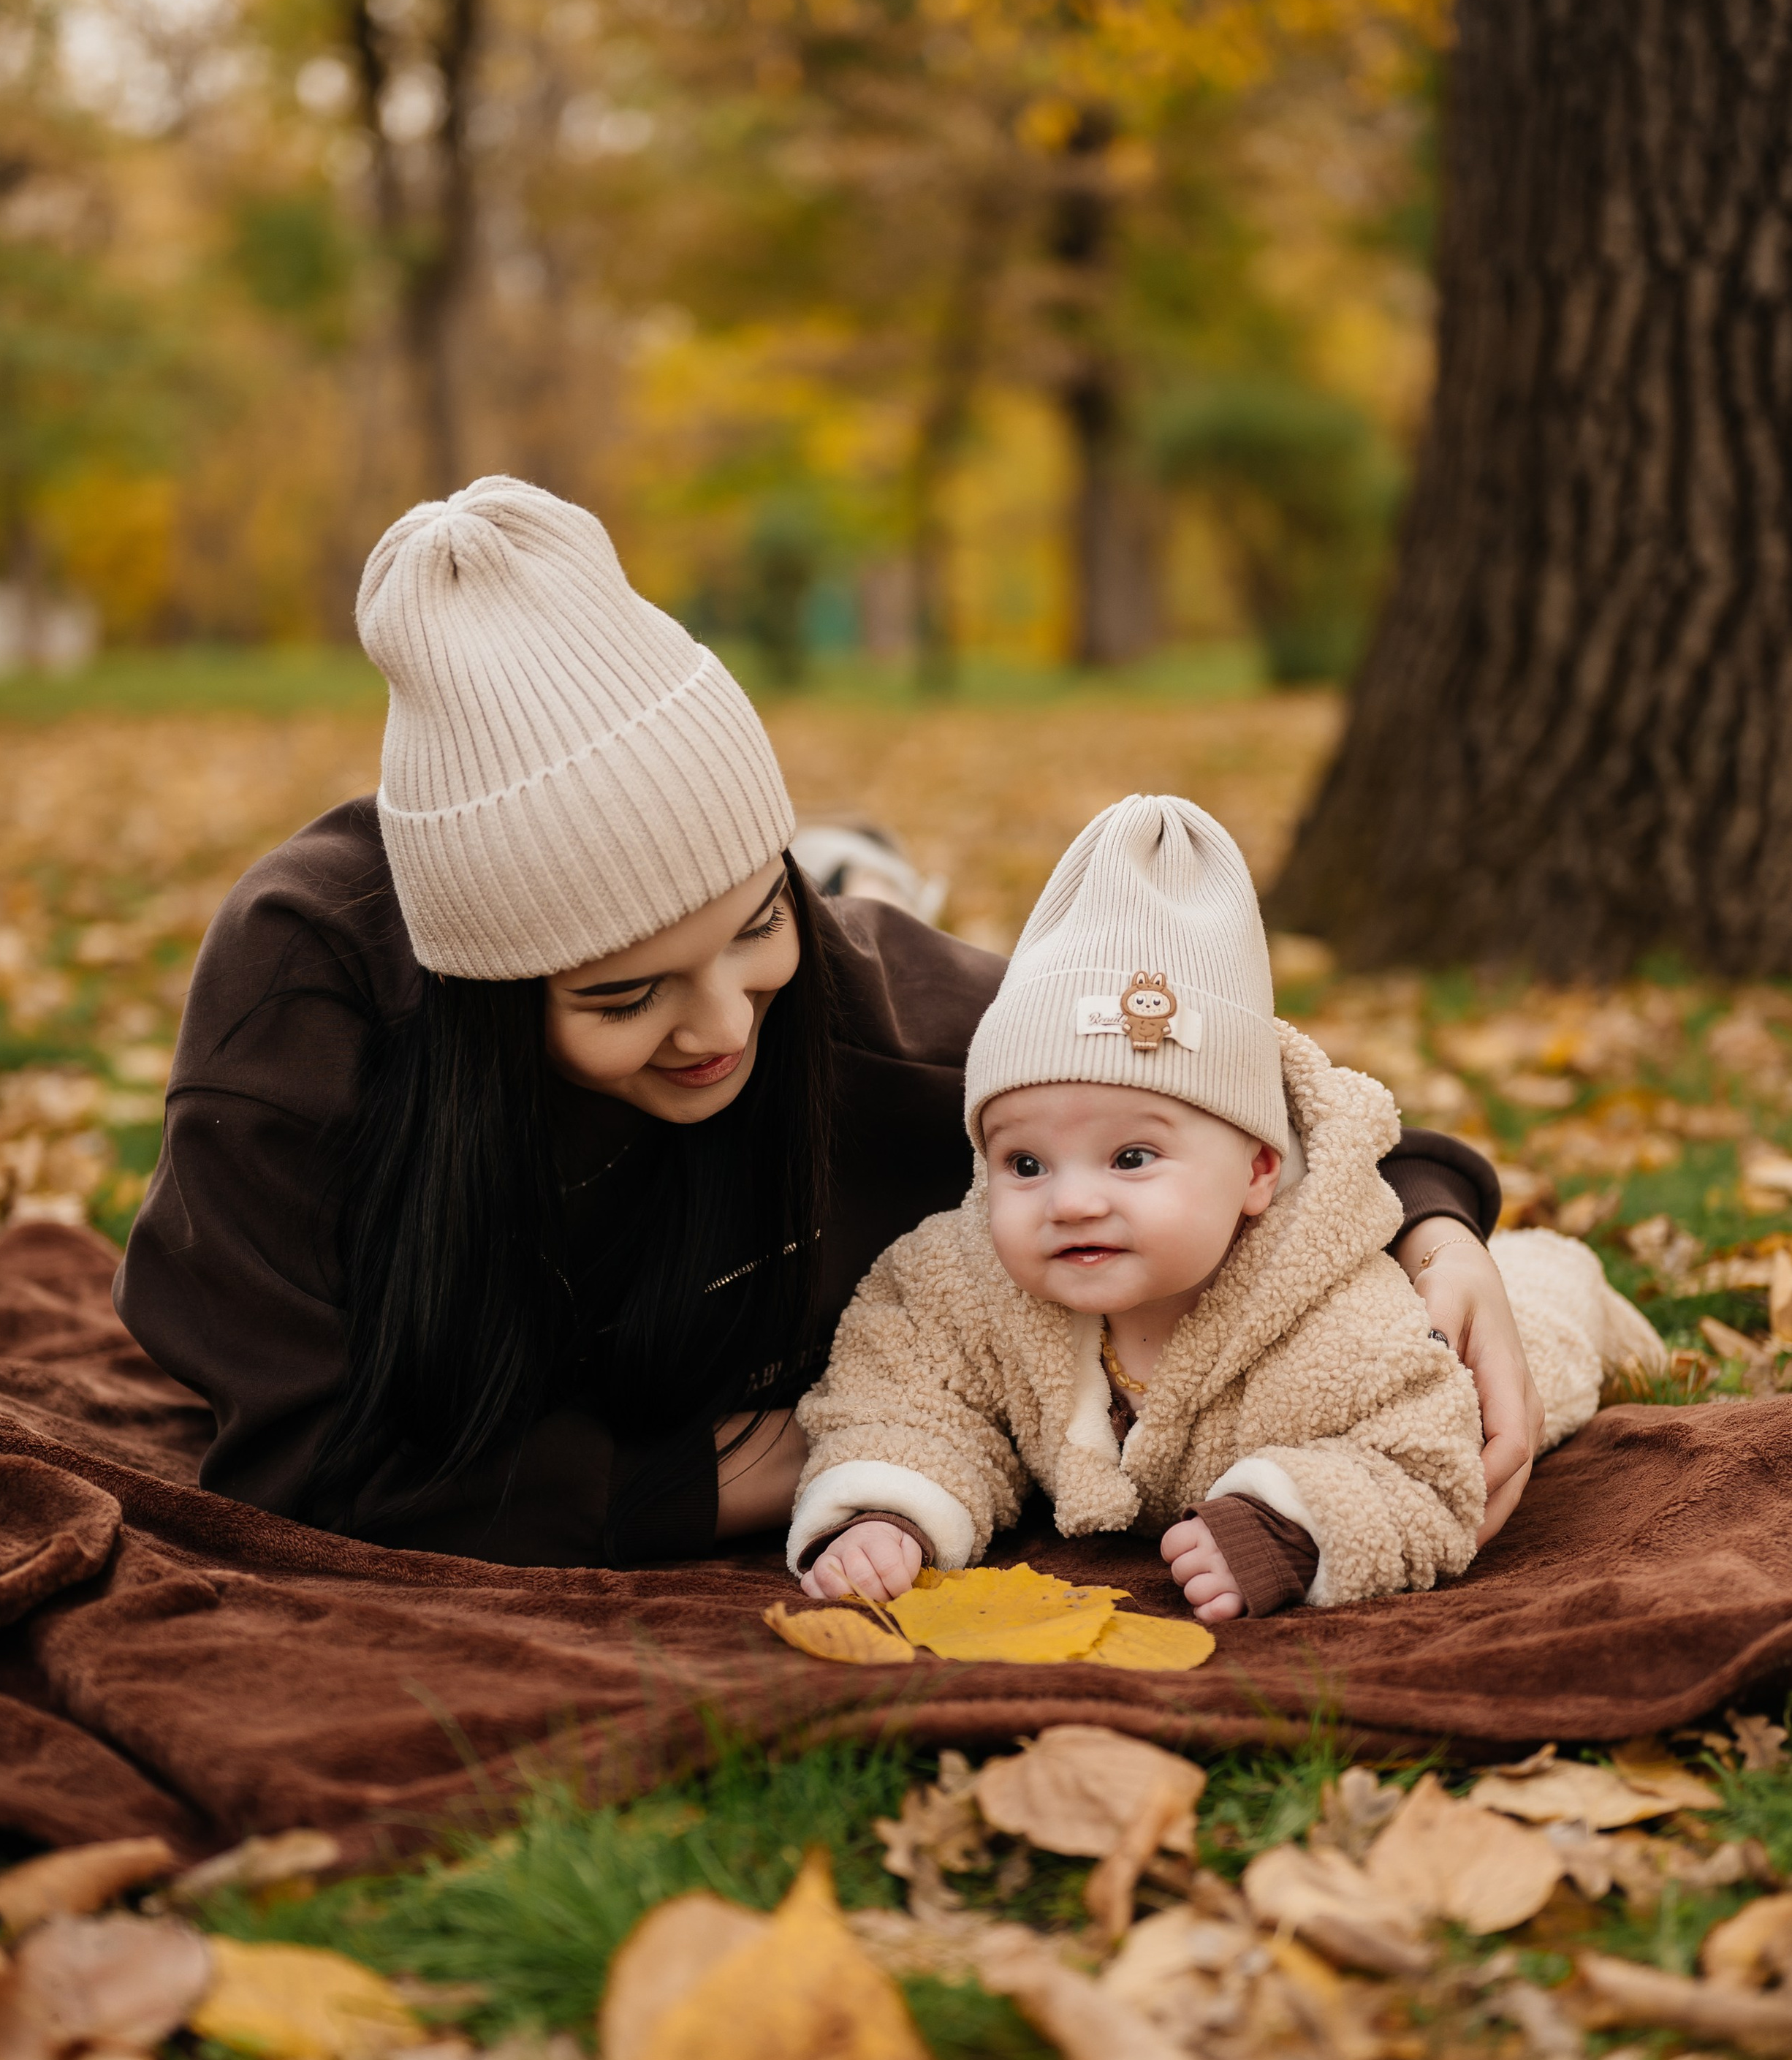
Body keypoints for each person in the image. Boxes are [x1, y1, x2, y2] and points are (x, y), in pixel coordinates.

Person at [118, 477, 1541, 1568]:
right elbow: (294, 1454)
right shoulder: (302, 1004)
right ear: (488, 1002)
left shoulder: (853, 1002)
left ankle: (854, 868)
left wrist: (1428, 1218)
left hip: (858, 930)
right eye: (622, 992)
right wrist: (685, 1482)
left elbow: (1196, 1083)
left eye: (753, 923)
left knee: (853, 945)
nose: (718, 1026)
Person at [789, 796, 1660, 1616]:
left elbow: (1427, 1462)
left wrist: (1291, 1522)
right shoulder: (963, 1281)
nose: (1073, 1199)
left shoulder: (1339, 1317)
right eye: (1025, 1162)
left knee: (1541, 1311)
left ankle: (1572, 1279)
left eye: (1132, 1157)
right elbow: (903, 1392)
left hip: (1488, 1331)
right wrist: (888, 1507)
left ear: (1256, 1171)